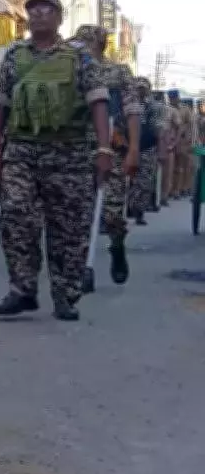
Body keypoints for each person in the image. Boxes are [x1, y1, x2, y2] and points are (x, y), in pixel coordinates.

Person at [0, 0, 111, 322]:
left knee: (68, 227)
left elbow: (98, 102)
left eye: (47, 9)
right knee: (15, 215)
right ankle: (23, 289)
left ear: (59, 17)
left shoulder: (80, 56)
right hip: (22, 151)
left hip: (69, 153)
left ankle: (66, 294)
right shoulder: (15, 55)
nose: (38, 14)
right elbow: (0, 106)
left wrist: (103, 149)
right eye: (32, 10)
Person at [73, 25, 140, 289]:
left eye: (88, 42)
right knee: (78, 213)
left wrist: (133, 149)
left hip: (112, 147)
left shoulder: (119, 72)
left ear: (100, 45)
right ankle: (80, 267)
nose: (83, 47)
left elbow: (132, 110)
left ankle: (117, 244)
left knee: (111, 213)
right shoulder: (72, 69)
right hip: (77, 149)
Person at [128, 77, 164, 225]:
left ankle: (139, 211)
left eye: (143, 88)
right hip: (127, 146)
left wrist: (161, 148)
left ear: (148, 89)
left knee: (144, 182)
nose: (141, 90)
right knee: (125, 181)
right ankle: (126, 208)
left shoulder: (155, 107)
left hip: (147, 147)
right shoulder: (128, 103)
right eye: (138, 88)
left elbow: (159, 129)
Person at [162, 89, 181, 204]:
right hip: (155, 145)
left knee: (167, 172)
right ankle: (153, 198)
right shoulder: (156, 108)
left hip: (168, 145)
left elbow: (179, 128)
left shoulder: (173, 111)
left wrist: (175, 143)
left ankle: (164, 196)